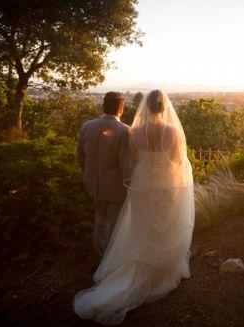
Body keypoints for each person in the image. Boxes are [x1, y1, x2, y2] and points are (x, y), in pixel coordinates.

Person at [73, 89, 195, 325]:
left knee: (141, 224)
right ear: (164, 108)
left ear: (146, 107)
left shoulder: (134, 131)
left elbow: (131, 160)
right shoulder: (172, 131)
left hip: (142, 183)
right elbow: (178, 161)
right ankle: (162, 267)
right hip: (165, 182)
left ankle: (132, 262)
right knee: (165, 222)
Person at [76, 91, 131, 255]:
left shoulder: (87, 126)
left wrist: (88, 174)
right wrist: (130, 184)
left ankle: (99, 250)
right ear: (121, 108)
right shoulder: (124, 131)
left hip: (93, 183)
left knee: (100, 217)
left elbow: (80, 156)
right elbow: (125, 164)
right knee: (115, 221)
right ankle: (110, 255)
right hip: (115, 186)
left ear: (103, 106)